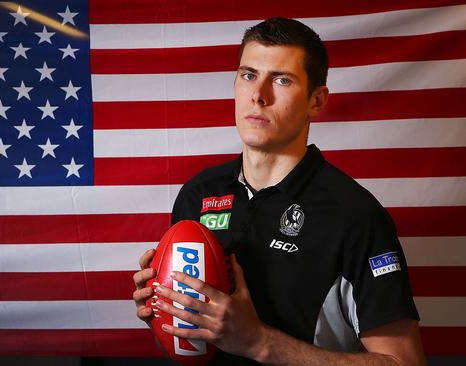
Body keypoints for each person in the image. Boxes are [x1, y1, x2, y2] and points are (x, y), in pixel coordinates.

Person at [132, 17, 425, 365]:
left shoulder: (354, 215)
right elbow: (193, 340)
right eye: (248, 75)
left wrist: (258, 342)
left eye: (282, 80)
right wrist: (166, 312)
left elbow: (404, 361)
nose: (259, 95)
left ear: (317, 101)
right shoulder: (198, 193)